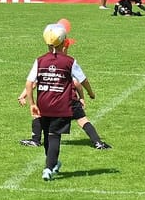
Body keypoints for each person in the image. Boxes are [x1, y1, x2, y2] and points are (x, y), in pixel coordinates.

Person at [19, 29, 109, 154]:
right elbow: (77, 83)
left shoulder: (58, 62)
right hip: (72, 100)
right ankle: (97, 142)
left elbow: (36, 82)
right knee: (82, 120)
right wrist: (84, 96)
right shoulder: (68, 61)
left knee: (38, 114)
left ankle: (36, 140)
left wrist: (23, 95)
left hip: (60, 100)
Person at [16, 25, 81, 181]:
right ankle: (48, 168)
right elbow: (80, 81)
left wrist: (29, 100)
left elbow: (31, 81)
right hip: (60, 105)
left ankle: (51, 163)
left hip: (43, 104)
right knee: (54, 136)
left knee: (48, 136)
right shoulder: (68, 61)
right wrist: (88, 94)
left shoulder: (41, 60)